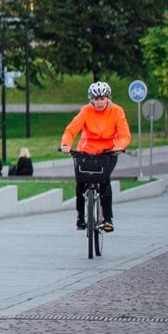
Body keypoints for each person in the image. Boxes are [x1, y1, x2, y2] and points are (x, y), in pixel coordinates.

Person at [61, 81, 131, 232]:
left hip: (108, 152)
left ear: (108, 98)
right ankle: (80, 216)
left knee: (104, 181)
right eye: (96, 99)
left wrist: (119, 146)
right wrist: (66, 144)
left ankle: (108, 219)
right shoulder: (86, 111)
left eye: (102, 98)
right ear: (91, 99)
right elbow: (71, 130)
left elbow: (124, 134)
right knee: (80, 182)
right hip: (87, 151)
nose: (99, 102)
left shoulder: (117, 111)